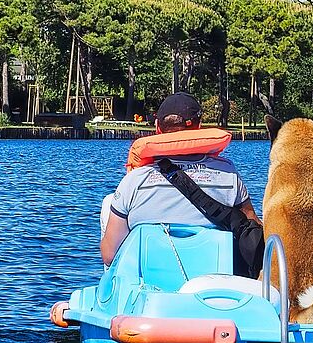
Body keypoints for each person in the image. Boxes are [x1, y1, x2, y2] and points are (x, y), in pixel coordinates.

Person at [100, 92, 260, 266]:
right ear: (199, 126)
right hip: (213, 279)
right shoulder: (229, 174)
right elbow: (252, 226)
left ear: (157, 128)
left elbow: (109, 255)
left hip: (147, 283)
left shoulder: (135, 180)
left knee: (109, 203)